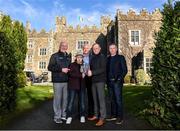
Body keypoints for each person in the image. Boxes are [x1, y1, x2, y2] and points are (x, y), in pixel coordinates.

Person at [48, 41, 71, 124]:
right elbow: (50, 67)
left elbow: (69, 68)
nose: (64, 47)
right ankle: (57, 117)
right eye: (63, 45)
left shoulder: (68, 57)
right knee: (57, 99)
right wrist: (61, 70)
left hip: (66, 81)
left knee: (65, 99)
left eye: (66, 45)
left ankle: (63, 115)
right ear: (60, 46)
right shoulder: (54, 56)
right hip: (57, 81)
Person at [106, 43, 127, 124]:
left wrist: (118, 79)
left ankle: (120, 117)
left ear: (116, 49)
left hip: (117, 82)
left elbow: (124, 70)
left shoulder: (120, 58)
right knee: (112, 100)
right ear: (109, 49)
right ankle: (113, 115)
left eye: (113, 48)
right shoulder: (107, 59)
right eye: (110, 48)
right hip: (109, 82)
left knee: (118, 100)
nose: (112, 50)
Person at [87, 43, 107, 126]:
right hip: (93, 81)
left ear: (100, 48)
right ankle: (96, 115)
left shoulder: (102, 57)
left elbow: (103, 69)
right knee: (95, 99)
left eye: (97, 48)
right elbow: (90, 68)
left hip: (100, 81)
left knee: (101, 100)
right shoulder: (92, 58)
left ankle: (102, 118)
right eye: (94, 48)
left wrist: (92, 72)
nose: (95, 49)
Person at [66, 51, 86, 124]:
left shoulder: (84, 65)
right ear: (76, 58)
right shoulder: (71, 65)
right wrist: (80, 75)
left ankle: (82, 116)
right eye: (78, 57)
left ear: (82, 58)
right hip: (73, 86)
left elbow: (85, 75)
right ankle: (69, 116)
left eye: (81, 57)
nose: (79, 59)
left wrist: (85, 74)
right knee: (70, 102)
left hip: (82, 86)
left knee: (82, 102)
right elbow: (71, 74)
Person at [82, 44, 94, 118]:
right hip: (82, 78)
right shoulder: (79, 57)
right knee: (81, 96)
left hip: (90, 78)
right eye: (84, 48)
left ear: (89, 49)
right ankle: (82, 113)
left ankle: (91, 112)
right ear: (83, 49)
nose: (86, 49)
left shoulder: (92, 57)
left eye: (87, 48)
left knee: (90, 96)